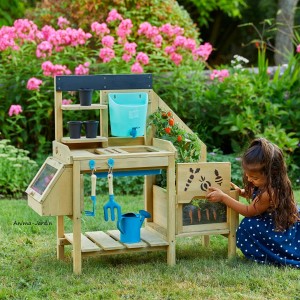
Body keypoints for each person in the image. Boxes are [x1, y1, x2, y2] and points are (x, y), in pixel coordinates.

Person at [206, 137, 300, 268]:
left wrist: (223, 197)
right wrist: (242, 191)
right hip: (273, 220)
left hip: (277, 228)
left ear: (272, 173)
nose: (249, 179)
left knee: (248, 226)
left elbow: (249, 211)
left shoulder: (270, 192)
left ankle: (268, 253)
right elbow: (256, 195)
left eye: (254, 177)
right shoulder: (267, 184)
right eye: (247, 175)